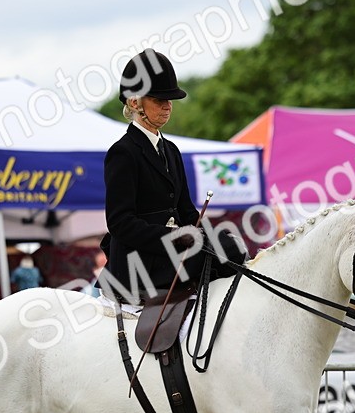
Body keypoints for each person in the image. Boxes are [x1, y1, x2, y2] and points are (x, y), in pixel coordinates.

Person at [98, 49, 246, 304]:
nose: (168, 106)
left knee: (231, 248)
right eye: (159, 100)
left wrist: (209, 235)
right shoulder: (122, 153)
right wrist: (174, 239)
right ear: (135, 103)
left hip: (172, 252)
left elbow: (187, 212)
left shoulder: (172, 151)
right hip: (140, 261)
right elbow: (120, 223)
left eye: (170, 100)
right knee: (205, 258)